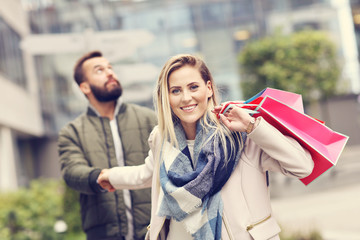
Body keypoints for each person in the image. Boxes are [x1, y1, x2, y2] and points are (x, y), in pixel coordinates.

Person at [97, 54, 314, 240]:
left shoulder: (238, 135)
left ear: (208, 88)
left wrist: (252, 126)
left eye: (193, 87)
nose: (186, 98)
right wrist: (110, 176)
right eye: (176, 91)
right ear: (167, 97)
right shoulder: (162, 139)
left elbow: (303, 166)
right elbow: (148, 174)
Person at [58, 50, 157, 240]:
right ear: (84, 87)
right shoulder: (72, 132)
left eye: (110, 68)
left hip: (153, 231)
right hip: (104, 234)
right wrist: (98, 177)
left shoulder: (148, 119)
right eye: (99, 70)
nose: (110, 73)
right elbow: (71, 171)